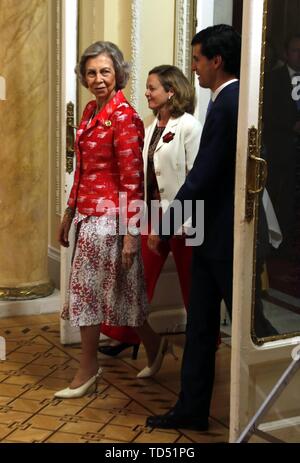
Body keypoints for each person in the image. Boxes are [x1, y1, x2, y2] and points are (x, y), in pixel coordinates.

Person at [145, 24, 241, 431]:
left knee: (237, 324)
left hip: (220, 236)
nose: (195, 68)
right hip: (211, 234)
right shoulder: (229, 99)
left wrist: (164, 226)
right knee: (201, 326)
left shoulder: (227, 102)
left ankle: (259, 402)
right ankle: (192, 409)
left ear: (216, 61)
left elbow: (200, 177)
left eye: (198, 59)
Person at [54, 41, 148, 398]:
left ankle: (88, 368)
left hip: (111, 221)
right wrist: (68, 212)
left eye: (105, 71)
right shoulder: (92, 110)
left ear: (118, 73)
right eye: (91, 72)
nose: (97, 78)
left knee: (89, 294)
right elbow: (81, 171)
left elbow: (133, 181)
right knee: (122, 296)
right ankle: (154, 348)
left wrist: (131, 235)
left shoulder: (125, 117)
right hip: (86, 216)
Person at [99, 65, 203, 378]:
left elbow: (195, 178)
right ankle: (136, 338)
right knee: (131, 282)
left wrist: (171, 222)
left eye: (152, 87)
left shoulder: (190, 127)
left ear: (171, 91)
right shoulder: (148, 125)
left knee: (193, 289)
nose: (146, 93)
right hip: (150, 215)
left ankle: (203, 352)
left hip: (186, 217)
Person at [263, 34, 300, 259]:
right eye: (296, 50)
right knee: (281, 196)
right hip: (281, 148)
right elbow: (267, 112)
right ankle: (279, 246)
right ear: (286, 54)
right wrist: (291, 125)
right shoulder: (273, 79)